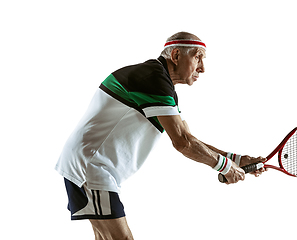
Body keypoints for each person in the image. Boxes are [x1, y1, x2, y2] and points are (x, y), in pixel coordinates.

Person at [55, 31, 266, 240]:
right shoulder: (152, 78)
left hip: (89, 164)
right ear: (175, 56)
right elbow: (183, 143)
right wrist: (225, 167)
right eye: (197, 57)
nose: (202, 68)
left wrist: (236, 160)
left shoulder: (159, 81)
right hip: (91, 166)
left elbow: (187, 136)